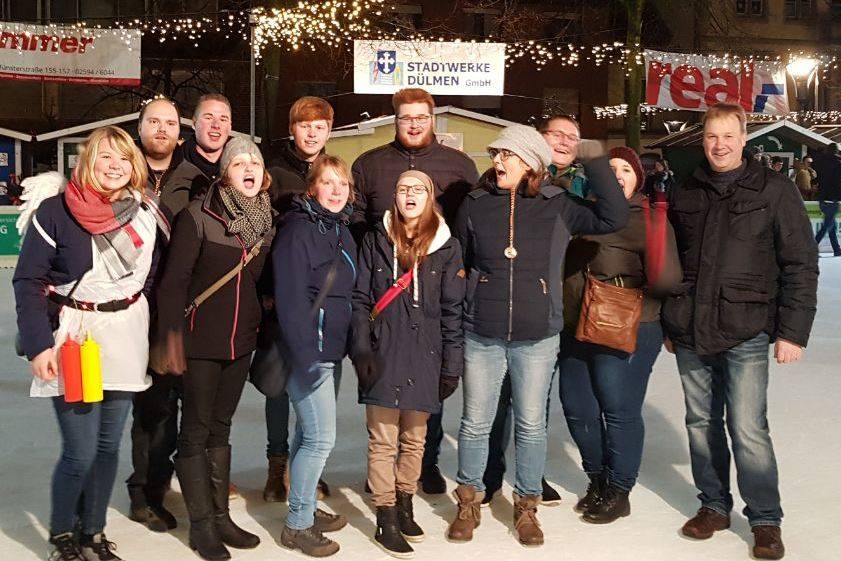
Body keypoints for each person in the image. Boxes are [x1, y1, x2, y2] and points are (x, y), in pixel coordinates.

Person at [447, 124, 628, 546]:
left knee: (530, 426)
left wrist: (596, 157)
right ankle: (468, 501)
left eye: (506, 155)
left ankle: (526, 505)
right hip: (483, 332)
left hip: (537, 335)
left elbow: (613, 216)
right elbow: (462, 259)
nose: (497, 162)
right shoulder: (475, 204)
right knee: (475, 423)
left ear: (530, 161)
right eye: (495, 154)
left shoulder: (559, 204)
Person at [663, 103, 818, 560]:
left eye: (729, 136)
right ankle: (713, 505)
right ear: (703, 139)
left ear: (744, 138)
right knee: (700, 424)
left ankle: (765, 519)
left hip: (746, 327)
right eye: (712, 136)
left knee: (748, 428)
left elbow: (800, 263)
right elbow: (675, 262)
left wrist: (793, 331)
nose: (720, 145)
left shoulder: (774, 190)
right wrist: (672, 318)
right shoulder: (687, 190)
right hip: (691, 327)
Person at [13, 126, 169, 561]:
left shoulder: (144, 212)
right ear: (88, 161)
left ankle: (93, 533)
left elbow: (152, 277)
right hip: (78, 337)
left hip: (126, 334)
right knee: (80, 452)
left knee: (107, 447)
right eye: (105, 157)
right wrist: (39, 344)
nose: (115, 165)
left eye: (123, 157)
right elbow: (28, 280)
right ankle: (63, 534)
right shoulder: (57, 211)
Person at [351, 87, 479, 495]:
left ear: (432, 119)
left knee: (427, 388)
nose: (413, 124)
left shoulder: (458, 165)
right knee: (387, 404)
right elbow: (356, 222)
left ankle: (427, 465)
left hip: (435, 284)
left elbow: (468, 226)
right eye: (406, 118)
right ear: (395, 120)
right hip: (384, 287)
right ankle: (385, 483)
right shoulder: (370, 164)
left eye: (421, 117)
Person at [156, 137, 275, 561]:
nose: (248, 168)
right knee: (195, 431)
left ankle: (221, 516)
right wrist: (169, 338)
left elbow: (260, 285)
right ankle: (201, 525)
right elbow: (173, 284)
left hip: (241, 342)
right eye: (239, 162)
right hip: (199, 340)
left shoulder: (266, 221)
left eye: (255, 163)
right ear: (225, 172)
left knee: (221, 428)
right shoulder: (198, 216)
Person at [559, 146, 681, 524]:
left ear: (637, 179)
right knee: (578, 407)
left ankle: (619, 488)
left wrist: (629, 293)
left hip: (629, 325)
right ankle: (597, 478)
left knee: (619, 409)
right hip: (575, 324)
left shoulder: (649, 220)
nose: (614, 175)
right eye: (607, 168)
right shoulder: (578, 215)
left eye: (624, 169)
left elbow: (668, 280)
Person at [481, 113, 594, 507]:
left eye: (571, 137)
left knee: (536, 408)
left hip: (557, 309)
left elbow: (607, 219)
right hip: (504, 311)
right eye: (555, 135)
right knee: (497, 405)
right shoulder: (499, 183)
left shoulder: (577, 187)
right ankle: (490, 475)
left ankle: (533, 477)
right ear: (536, 141)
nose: (563, 142)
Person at [351, 170, 465, 557]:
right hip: (384, 351)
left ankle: (405, 501)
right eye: (402, 189)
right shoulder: (375, 241)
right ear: (394, 198)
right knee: (383, 440)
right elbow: (361, 300)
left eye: (418, 189)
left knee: (415, 439)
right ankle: (385, 514)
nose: (409, 195)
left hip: (426, 353)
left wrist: (452, 364)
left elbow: (453, 311)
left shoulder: (448, 246)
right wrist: (362, 349)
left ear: (430, 197)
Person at [126, 96, 208, 533]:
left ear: (181, 132)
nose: (161, 129)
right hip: (122, 311)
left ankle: (150, 491)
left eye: (170, 123)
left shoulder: (195, 179)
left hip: (174, 313)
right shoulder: (119, 171)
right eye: (153, 121)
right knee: (123, 410)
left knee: (162, 406)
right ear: (139, 128)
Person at [273, 155, 356, 557]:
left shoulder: (341, 231)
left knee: (307, 435)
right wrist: (305, 353)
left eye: (343, 183)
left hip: (331, 349)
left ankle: (302, 503)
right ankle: (297, 524)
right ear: (312, 188)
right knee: (321, 438)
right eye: (328, 182)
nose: (337, 190)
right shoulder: (298, 231)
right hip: (307, 351)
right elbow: (289, 297)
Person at [262, 96, 336, 504]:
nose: (312, 132)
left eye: (320, 125)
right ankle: (277, 465)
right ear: (293, 129)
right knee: (279, 387)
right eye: (304, 125)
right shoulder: (274, 173)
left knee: (316, 387)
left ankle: (303, 466)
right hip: (281, 297)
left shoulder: (334, 172)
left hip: (324, 302)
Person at [183, 93, 233, 185]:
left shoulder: (239, 169)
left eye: (223, 120)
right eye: (208, 118)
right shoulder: (174, 162)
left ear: (230, 127)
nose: (216, 125)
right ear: (194, 123)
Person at [811, 143, 841, 256]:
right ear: (836, 151)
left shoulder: (821, 162)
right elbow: (838, 181)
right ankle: (812, 248)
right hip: (833, 197)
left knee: (831, 224)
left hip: (822, 197)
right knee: (826, 225)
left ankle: (837, 249)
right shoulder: (838, 163)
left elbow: (817, 178)